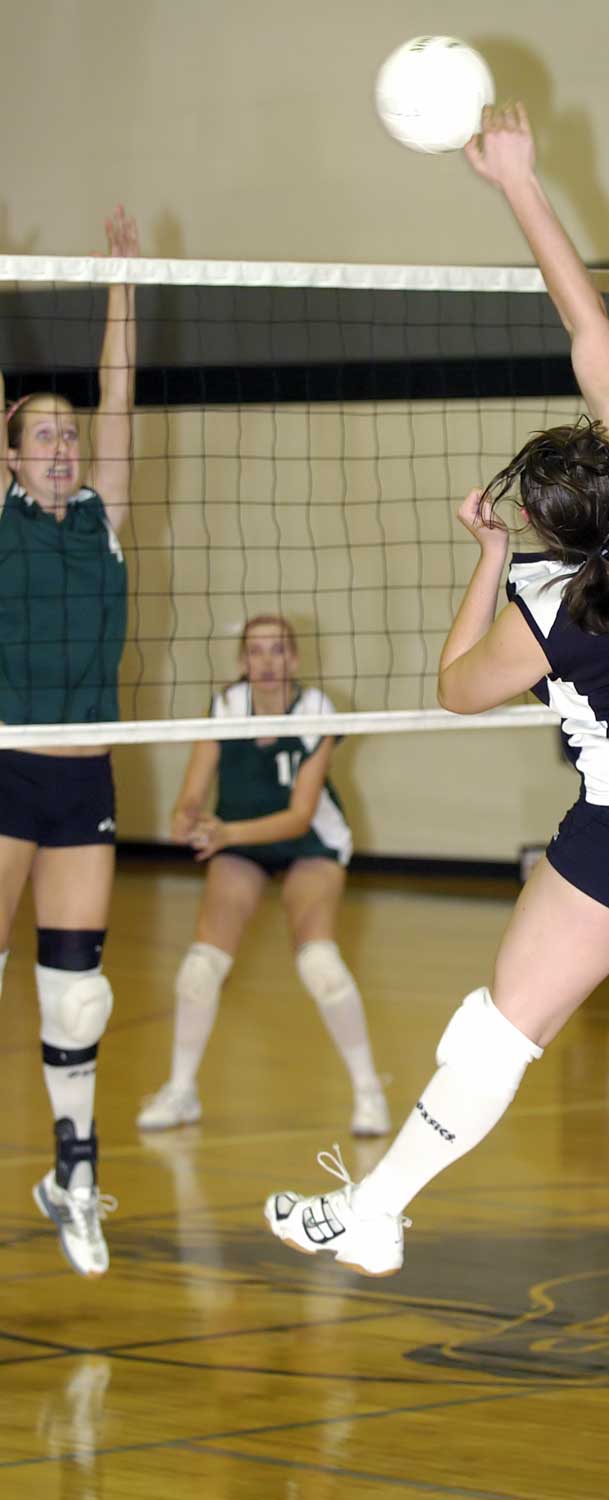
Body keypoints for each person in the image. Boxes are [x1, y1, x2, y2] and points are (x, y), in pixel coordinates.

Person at [263, 104, 609, 1418]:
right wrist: (519, 183)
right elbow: (588, 327)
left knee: (498, 1031)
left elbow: (451, 691)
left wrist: (488, 560)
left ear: (548, 528)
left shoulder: (547, 608)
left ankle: (376, 1214)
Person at [0, 206, 138, 1277]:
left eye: (67, 435)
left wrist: (121, 285)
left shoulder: (103, 521)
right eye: (40, 435)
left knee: (78, 993)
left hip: (83, 776)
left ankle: (74, 1176)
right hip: (3, 769)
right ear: (10, 456)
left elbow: (119, 398)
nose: (61, 446)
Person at [136, 614, 390, 1137]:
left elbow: (299, 816)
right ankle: (181, 1091)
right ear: (242, 661)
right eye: (256, 651)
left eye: (278, 651)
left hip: (309, 842)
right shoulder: (225, 708)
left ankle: (369, 1092)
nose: (268, 662)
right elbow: (191, 793)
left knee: (320, 964)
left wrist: (224, 833)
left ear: (294, 659)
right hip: (240, 844)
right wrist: (185, 818)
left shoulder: (317, 710)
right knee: (201, 968)